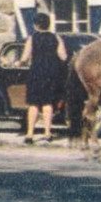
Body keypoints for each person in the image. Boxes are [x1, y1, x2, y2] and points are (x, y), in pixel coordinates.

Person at [21, 11, 67, 142]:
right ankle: (47, 133)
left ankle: (30, 134)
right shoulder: (56, 38)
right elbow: (63, 56)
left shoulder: (32, 38)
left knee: (33, 104)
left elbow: (25, 57)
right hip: (51, 73)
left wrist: (18, 62)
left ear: (36, 25)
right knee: (47, 103)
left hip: (35, 73)